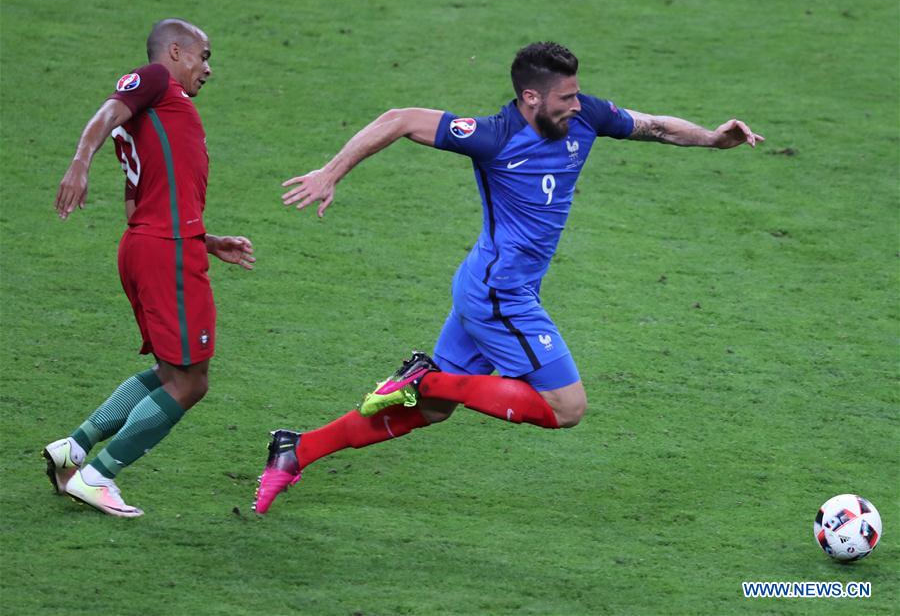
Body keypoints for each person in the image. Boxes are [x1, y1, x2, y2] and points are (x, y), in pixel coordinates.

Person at [253, 41, 764, 514]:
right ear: (530, 96)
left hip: (486, 284)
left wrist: (714, 139)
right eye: (564, 96)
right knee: (566, 407)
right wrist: (330, 172)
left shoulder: (585, 116)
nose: (576, 103)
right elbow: (399, 119)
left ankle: (297, 450)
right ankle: (424, 375)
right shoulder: (494, 136)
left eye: (577, 91)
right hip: (500, 296)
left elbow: (655, 126)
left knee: (430, 412)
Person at [45, 18, 255, 518]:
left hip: (150, 243)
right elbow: (107, 110)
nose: (207, 69)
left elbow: (141, 200)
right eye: (204, 56)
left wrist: (207, 240)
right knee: (190, 382)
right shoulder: (155, 81)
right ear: (176, 52)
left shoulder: (159, 113)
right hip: (165, 253)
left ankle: (71, 452)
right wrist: (79, 162)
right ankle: (97, 476)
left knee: (169, 371)